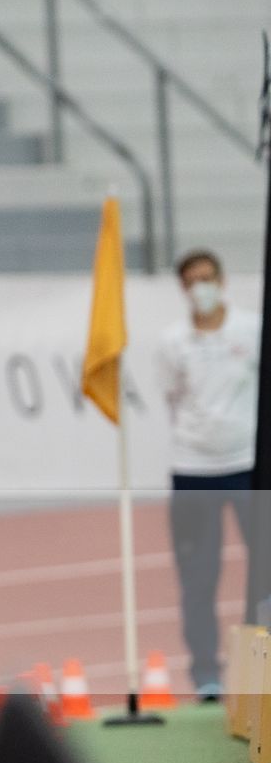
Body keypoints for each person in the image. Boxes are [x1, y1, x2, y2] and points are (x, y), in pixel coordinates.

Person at [159, 249, 261, 700]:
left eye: (208, 277)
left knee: (264, 567)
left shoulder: (251, 329)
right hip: (193, 469)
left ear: (222, 281)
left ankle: (261, 664)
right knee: (198, 575)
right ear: (184, 288)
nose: (201, 286)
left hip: (246, 465)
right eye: (192, 279)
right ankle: (206, 675)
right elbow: (171, 396)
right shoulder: (173, 341)